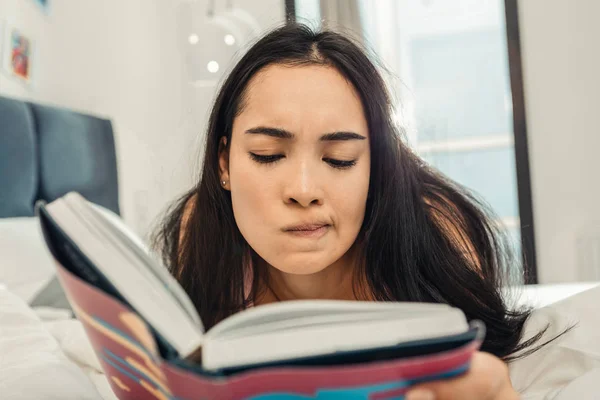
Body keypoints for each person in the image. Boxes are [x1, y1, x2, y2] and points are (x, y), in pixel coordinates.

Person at [154, 23, 550, 399]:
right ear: (224, 164)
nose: (304, 191)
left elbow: (487, 370)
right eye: (268, 155)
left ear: (374, 166)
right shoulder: (201, 230)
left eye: (340, 159)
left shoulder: (434, 230)